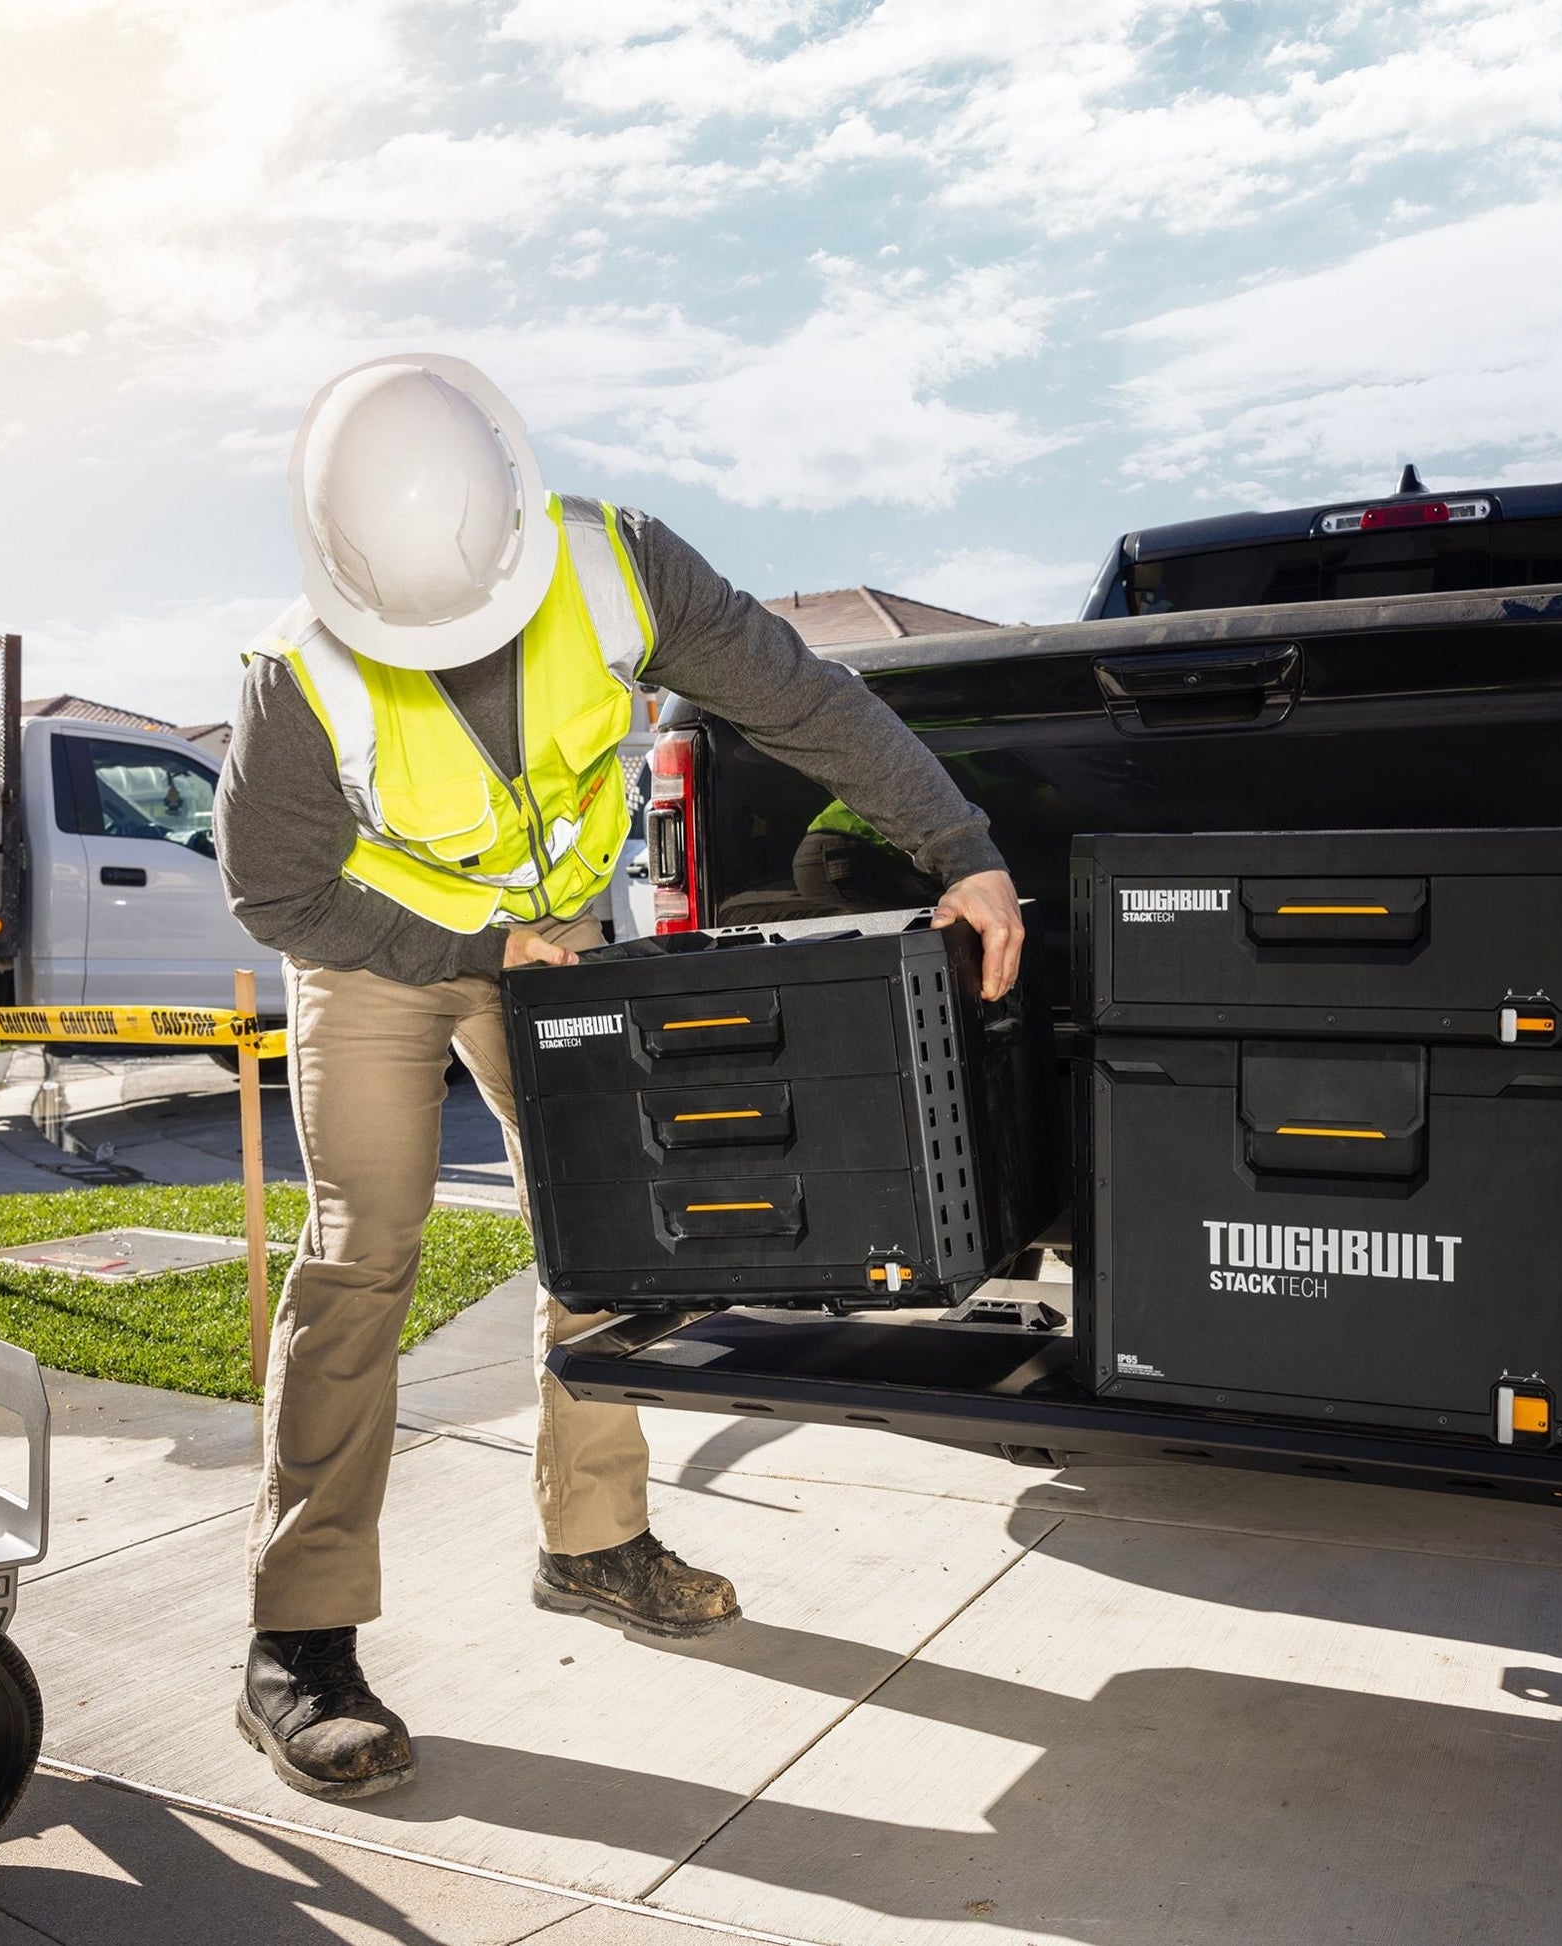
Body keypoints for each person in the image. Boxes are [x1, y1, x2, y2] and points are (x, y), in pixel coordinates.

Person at [213, 352, 1024, 1801]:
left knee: (612, 1230)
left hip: (554, 939)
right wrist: (471, 937)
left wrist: (958, 847)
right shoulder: (297, 674)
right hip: (373, 941)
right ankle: (300, 1639)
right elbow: (272, 889)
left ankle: (589, 1543)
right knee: (363, 1254)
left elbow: (802, 703)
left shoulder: (618, 567)